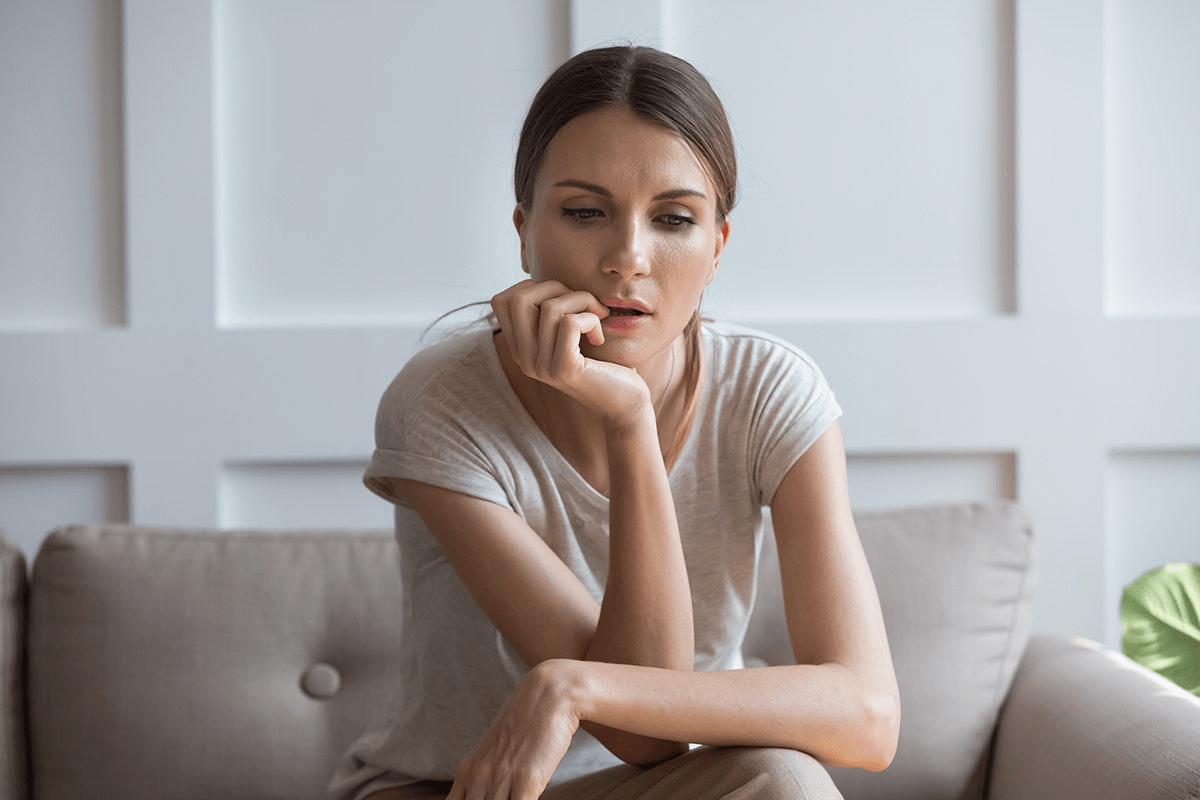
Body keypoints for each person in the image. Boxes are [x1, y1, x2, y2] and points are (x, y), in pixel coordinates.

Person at [331, 44, 900, 800]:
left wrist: (570, 686)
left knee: (784, 782)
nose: (628, 258)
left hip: (666, 786)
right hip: (458, 789)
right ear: (524, 230)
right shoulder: (442, 403)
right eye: (585, 212)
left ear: (717, 247)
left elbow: (866, 717)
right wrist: (633, 421)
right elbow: (643, 728)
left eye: (673, 218)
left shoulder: (770, 391)